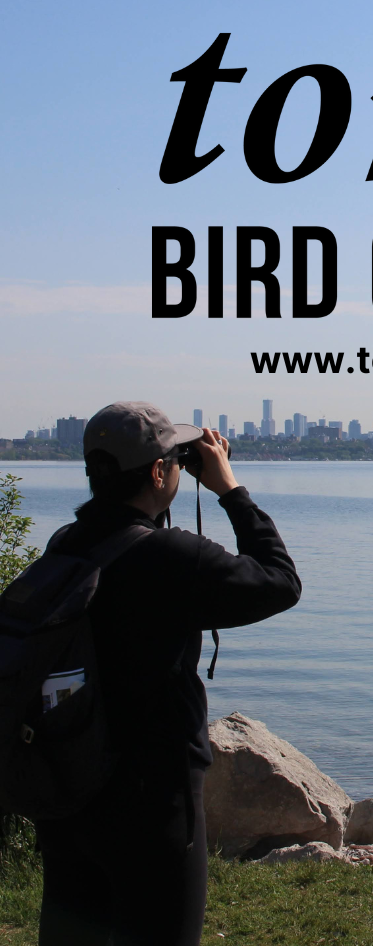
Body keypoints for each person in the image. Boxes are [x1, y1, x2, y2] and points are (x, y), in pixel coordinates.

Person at [33, 401, 302, 946]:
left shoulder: (64, 545)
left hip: (66, 785)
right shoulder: (172, 558)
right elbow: (279, 582)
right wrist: (229, 489)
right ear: (159, 472)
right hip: (153, 801)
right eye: (176, 461)